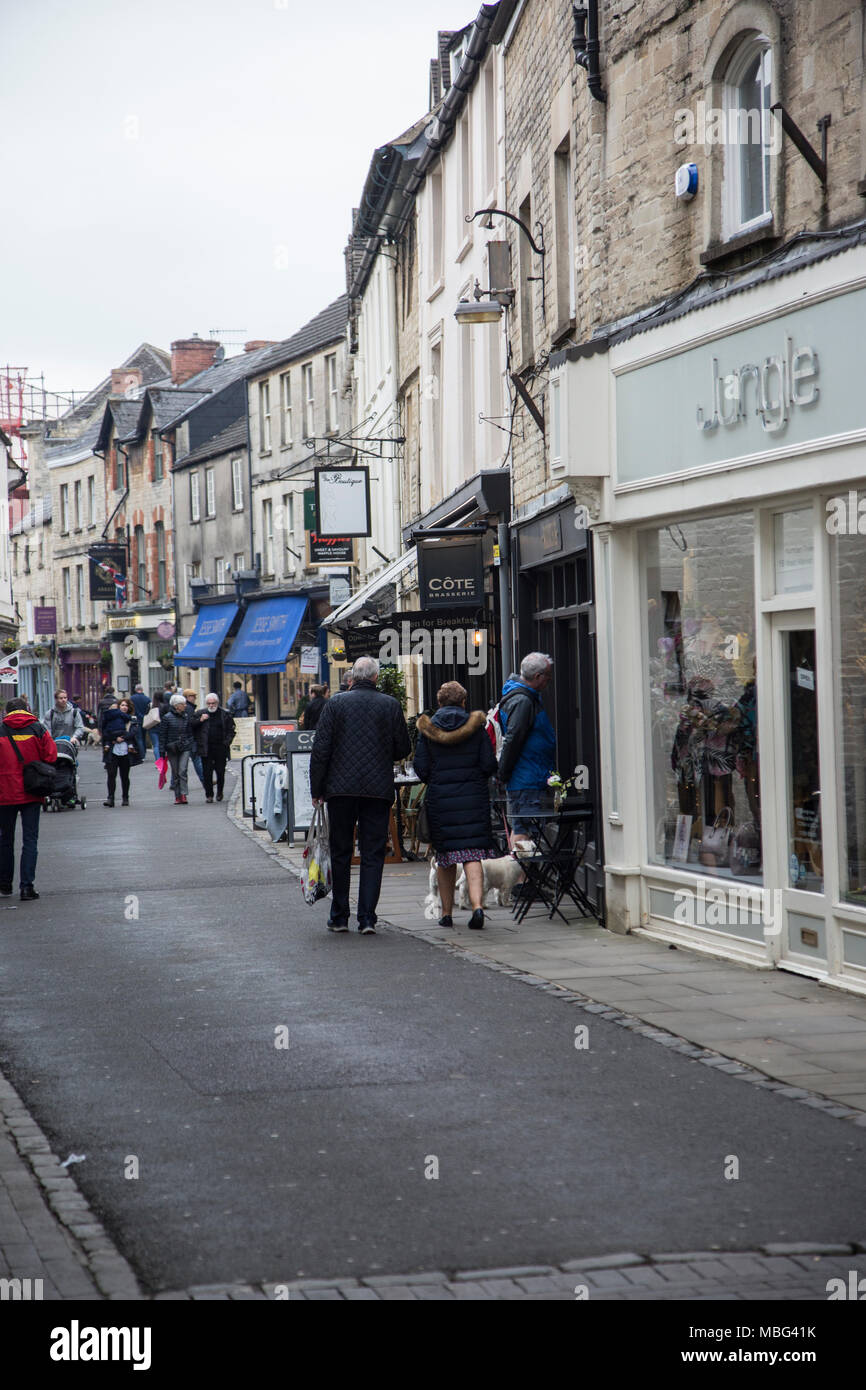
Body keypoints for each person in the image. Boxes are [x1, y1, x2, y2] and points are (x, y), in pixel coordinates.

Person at [310, 655, 410, 934]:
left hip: (340, 790)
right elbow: (402, 747)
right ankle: (367, 918)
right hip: (377, 790)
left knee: (340, 851)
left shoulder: (335, 704)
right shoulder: (390, 705)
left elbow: (321, 751)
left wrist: (317, 789)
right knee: (372, 853)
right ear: (376, 677)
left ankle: (340, 916)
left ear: (351, 678)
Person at [414, 681, 497, 930]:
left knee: (446, 857)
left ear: (439, 703)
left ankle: (447, 913)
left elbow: (421, 768)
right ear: (463, 702)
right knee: (472, 854)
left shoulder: (427, 730)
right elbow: (488, 765)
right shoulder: (477, 728)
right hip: (474, 798)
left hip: (442, 800)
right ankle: (477, 907)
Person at [0, 695, 58, 900]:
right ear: (26, 709)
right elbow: (51, 756)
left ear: (7, 711)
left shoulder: (1, 729)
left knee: (5, 839)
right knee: (30, 839)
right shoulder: (38, 728)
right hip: (32, 789)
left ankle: (5, 885)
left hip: (4, 792)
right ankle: (26, 887)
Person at [497, 652, 557, 835]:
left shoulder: (524, 697)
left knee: (526, 833)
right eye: (548, 676)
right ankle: (522, 865)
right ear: (538, 677)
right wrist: (503, 774)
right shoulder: (523, 701)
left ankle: (523, 863)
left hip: (529, 778)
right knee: (526, 835)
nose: (549, 680)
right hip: (527, 781)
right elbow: (513, 739)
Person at [159, 694, 199, 804]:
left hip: (185, 746)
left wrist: (190, 743)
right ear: (177, 706)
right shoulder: (167, 718)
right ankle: (177, 795)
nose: (185, 706)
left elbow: (190, 732)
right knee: (175, 772)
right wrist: (162, 751)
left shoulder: (186, 716)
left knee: (183, 770)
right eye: (183, 704)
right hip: (172, 748)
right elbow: (162, 735)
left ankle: (184, 794)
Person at [101, 697, 137, 807]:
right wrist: (115, 738)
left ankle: (125, 797)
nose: (124, 707)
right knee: (111, 774)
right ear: (118, 707)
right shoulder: (110, 719)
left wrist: (123, 737)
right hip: (112, 750)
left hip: (126, 750)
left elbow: (134, 732)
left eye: (126, 705)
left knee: (124, 776)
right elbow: (105, 733)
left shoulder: (131, 719)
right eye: (122, 705)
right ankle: (110, 798)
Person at [201, 692, 236, 802]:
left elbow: (231, 730)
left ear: (217, 703)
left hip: (221, 748)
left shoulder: (225, 714)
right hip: (206, 748)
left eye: (213, 703)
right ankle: (209, 795)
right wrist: (200, 720)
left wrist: (227, 742)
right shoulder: (201, 713)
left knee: (220, 772)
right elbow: (192, 726)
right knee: (207, 772)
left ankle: (220, 792)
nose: (211, 705)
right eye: (209, 703)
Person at [182, 688, 209, 789]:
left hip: (187, 737)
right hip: (190, 738)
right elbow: (190, 723)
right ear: (188, 697)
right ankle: (205, 780)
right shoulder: (189, 708)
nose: (195, 698)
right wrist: (200, 720)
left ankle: (173, 783)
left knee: (182, 762)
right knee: (196, 760)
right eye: (193, 696)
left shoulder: (188, 707)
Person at [131, 684, 150, 758]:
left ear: (136, 690)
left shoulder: (132, 698)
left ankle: (141, 755)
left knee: (139, 738)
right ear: (142, 690)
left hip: (136, 720)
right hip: (145, 720)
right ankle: (144, 752)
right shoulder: (147, 699)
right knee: (144, 737)